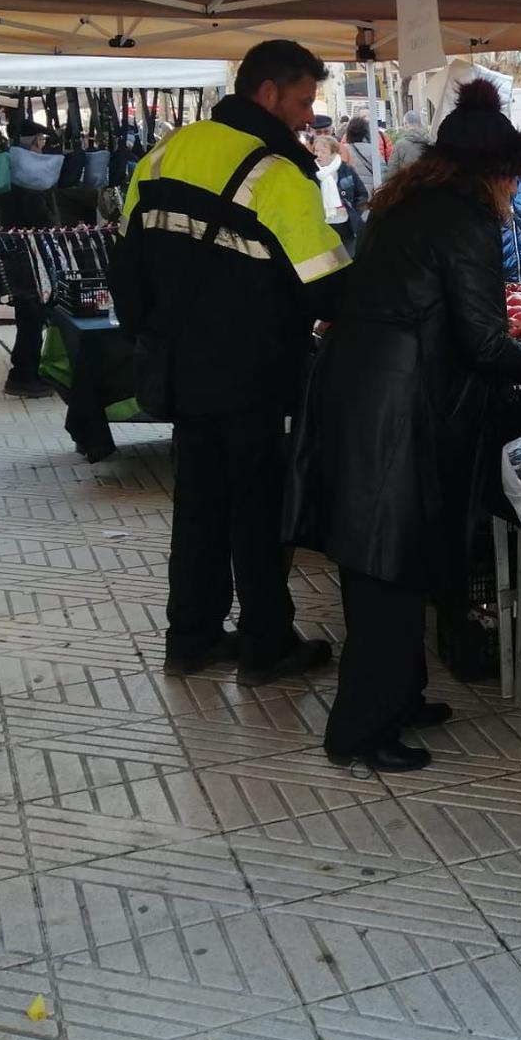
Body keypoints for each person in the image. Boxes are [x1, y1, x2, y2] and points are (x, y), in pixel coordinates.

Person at [285, 79, 521, 773]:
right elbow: (484, 341)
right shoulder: (465, 218)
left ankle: (401, 695)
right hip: (392, 404)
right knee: (384, 567)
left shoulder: (411, 201)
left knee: (393, 561)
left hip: (365, 388)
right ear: (500, 169)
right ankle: (359, 729)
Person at [111, 39, 349, 684]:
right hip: (253, 374)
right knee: (258, 509)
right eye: (302, 101)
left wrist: (153, 335)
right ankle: (266, 646)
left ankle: (190, 638)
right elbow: (325, 284)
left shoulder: (165, 152)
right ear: (267, 93)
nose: (307, 116)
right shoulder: (278, 171)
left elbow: (125, 264)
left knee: (198, 506)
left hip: (181, 369)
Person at [0, 119, 58, 399]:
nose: (42, 147)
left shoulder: (6, 165)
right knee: (32, 315)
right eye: (40, 141)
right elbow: (38, 215)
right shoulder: (28, 175)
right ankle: (23, 374)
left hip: (15, 248)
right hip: (28, 251)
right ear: (31, 143)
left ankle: (24, 372)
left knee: (28, 314)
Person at [389, 108, 430, 178]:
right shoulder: (430, 142)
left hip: (407, 184)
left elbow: (392, 170)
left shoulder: (400, 144)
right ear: (420, 124)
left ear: (406, 125)